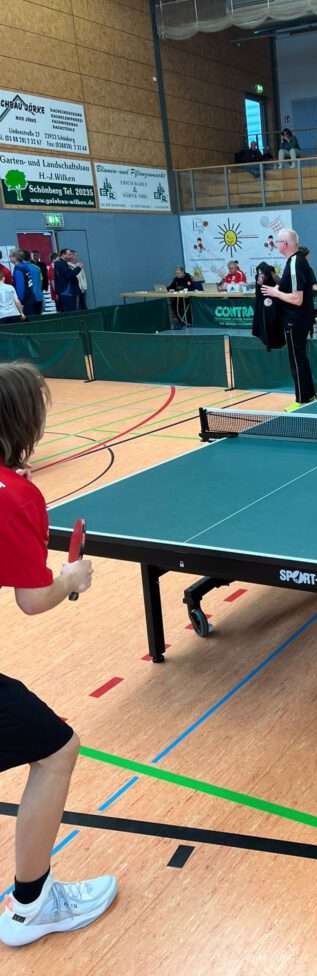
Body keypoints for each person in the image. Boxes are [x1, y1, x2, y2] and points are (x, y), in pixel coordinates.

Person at [0, 362, 118, 948]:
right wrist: (70, 578)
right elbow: (32, 600)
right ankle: (31, 906)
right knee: (56, 750)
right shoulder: (15, 496)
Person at [260, 228, 317, 406]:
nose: (276, 245)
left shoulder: (295, 263)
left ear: (284, 244)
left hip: (295, 320)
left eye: (277, 242)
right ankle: (309, 396)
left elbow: (297, 299)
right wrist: (275, 289)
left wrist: (275, 294)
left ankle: (301, 400)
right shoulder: (295, 261)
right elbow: (288, 288)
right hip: (299, 319)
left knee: (296, 360)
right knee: (300, 358)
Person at [10, 250, 41, 317]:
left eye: (10, 256)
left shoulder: (18, 269)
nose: (10, 258)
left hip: (26, 300)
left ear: (15, 258)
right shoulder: (25, 267)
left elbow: (20, 287)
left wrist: (20, 301)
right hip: (32, 297)